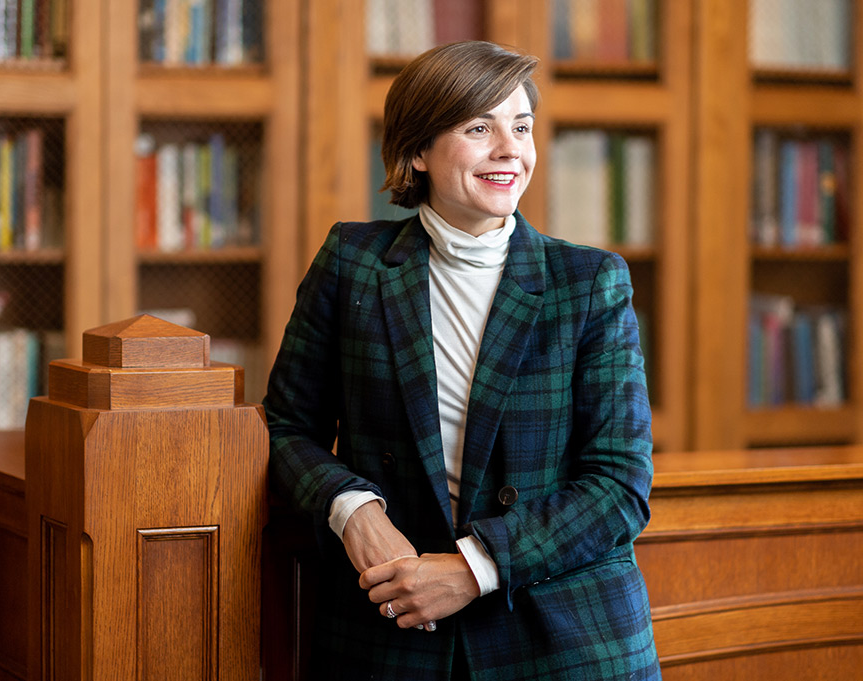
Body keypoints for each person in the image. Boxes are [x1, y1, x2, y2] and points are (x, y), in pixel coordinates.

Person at [264, 40, 660, 681]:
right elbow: (286, 429)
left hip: (561, 636)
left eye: (522, 126)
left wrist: (473, 568)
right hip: (390, 633)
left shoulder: (588, 281)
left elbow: (619, 487)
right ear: (417, 150)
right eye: (480, 127)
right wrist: (353, 511)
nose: (510, 148)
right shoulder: (352, 262)